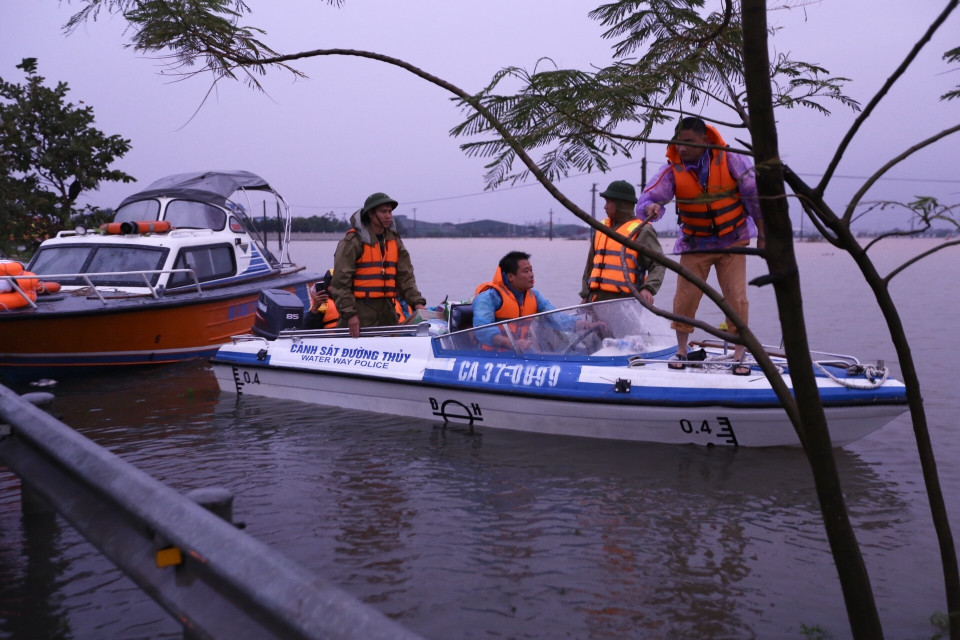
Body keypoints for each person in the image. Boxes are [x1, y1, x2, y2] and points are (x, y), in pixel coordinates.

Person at [636, 116, 765, 374]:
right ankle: (681, 350)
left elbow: (754, 195)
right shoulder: (672, 169)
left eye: (689, 142)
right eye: (678, 142)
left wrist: (763, 234)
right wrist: (651, 207)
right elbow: (650, 197)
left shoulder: (731, 160)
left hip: (733, 241)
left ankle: (740, 354)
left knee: (736, 297)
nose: (682, 148)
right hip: (696, 243)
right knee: (685, 297)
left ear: (705, 140)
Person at [329, 192, 426, 338]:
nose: (388, 216)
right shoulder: (353, 241)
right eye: (383, 212)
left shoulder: (394, 241)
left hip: (387, 310)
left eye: (390, 211)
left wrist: (417, 303)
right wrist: (350, 314)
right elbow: (340, 282)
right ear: (370, 214)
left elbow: (405, 277)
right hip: (360, 311)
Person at [473, 251, 601, 351]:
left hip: (520, 352)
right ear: (510, 276)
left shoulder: (534, 296)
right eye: (526, 271)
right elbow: (482, 329)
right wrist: (511, 343)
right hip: (491, 356)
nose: (531, 275)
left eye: (531, 270)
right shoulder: (488, 297)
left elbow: (556, 318)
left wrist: (585, 325)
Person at [579, 179, 666, 305]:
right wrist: (585, 295)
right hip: (596, 301)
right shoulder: (601, 228)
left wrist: (648, 288)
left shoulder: (642, 230)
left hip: (626, 304)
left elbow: (658, 264)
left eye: (609, 202)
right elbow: (590, 268)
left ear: (622, 205)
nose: (605, 206)